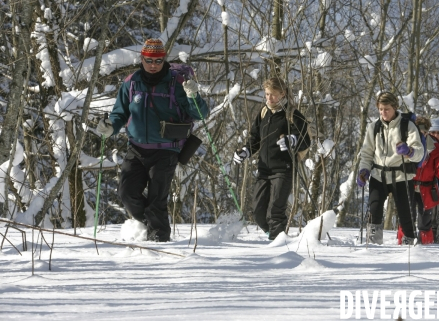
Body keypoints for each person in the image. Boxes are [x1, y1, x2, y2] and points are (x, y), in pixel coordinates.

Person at [96, 38, 209, 242]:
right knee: (127, 194)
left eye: (158, 61)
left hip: (167, 149)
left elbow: (201, 113)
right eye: (149, 60)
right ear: (142, 59)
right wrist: (111, 127)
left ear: (164, 59)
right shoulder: (131, 83)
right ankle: (152, 225)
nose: (153, 65)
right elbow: (119, 113)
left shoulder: (177, 83)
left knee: (157, 199)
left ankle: (159, 241)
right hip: (136, 149)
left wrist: (194, 96)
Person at [232, 77, 311, 240]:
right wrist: (245, 151)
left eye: (273, 95)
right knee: (258, 212)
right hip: (264, 169)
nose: (269, 98)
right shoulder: (263, 113)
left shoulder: (293, 114)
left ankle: (278, 246)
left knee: (275, 212)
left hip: (284, 169)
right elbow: (255, 138)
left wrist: (291, 140)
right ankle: (276, 238)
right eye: (267, 94)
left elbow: (305, 140)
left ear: (283, 94)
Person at [356, 92, 425, 245]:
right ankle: (373, 244)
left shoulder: (408, 126)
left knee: (405, 213)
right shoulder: (374, 127)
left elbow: (420, 153)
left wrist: (409, 151)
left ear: (395, 107)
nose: (383, 112)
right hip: (378, 175)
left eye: (386, 109)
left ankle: (409, 246)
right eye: (380, 109)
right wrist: (364, 171)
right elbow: (367, 153)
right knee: (374, 210)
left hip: (402, 176)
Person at [410, 117, 439, 244]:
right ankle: (406, 241)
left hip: (427, 187)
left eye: (424, 131)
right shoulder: (408, 143)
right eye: (418, 131)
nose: (421, 134)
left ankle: (425, 242)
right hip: (409, 185)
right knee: (408, 215)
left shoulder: (433, 146)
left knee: (425, 217)